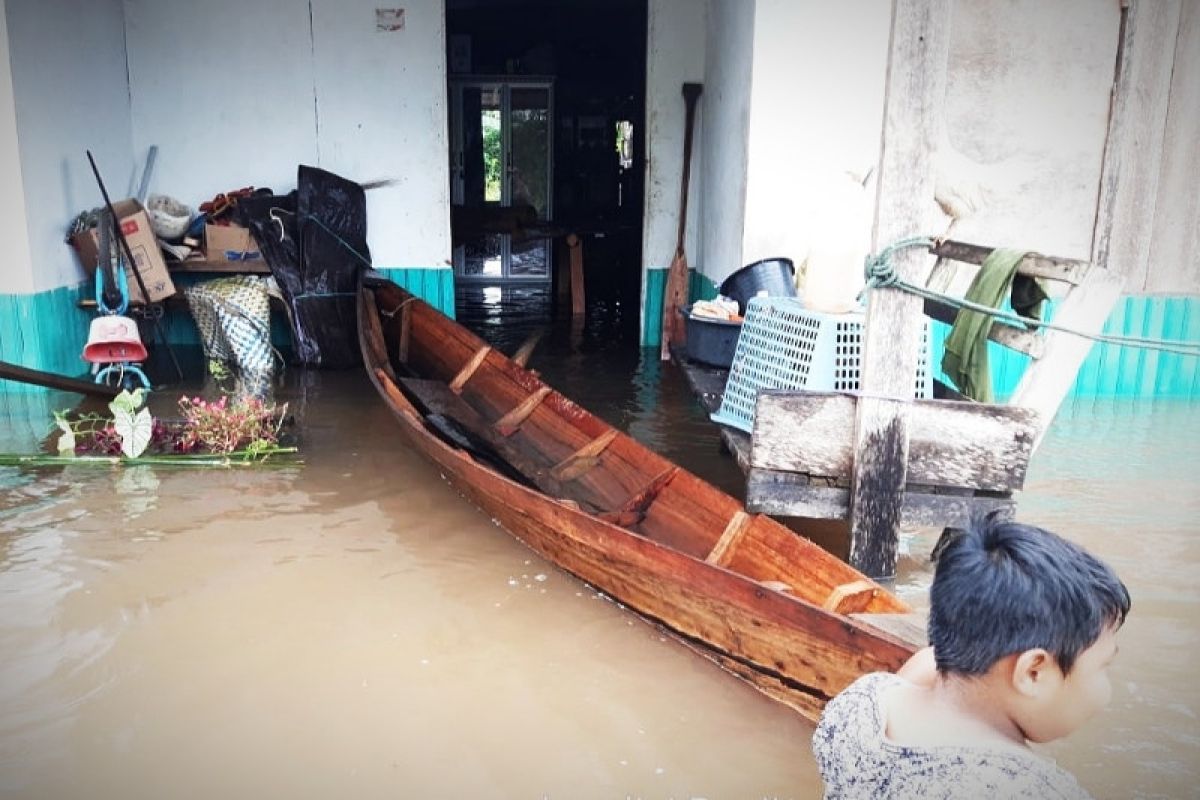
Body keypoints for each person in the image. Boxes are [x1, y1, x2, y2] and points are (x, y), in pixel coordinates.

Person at [812, 512, 1131, 799]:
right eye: (1103, 667)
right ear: (1033, 672)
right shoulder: (1035, 789)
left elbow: (922, 665)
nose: (1106, 693)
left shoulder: (859, 705)